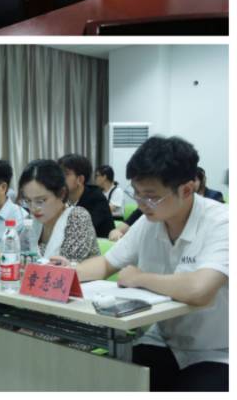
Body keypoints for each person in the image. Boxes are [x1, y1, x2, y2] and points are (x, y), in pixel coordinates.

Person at [75, 137, 228, 391]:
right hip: (163, 341)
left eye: (151, 197)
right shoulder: (149, 221)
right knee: (107, 380)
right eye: (136, 193)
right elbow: (105, 264)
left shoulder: (222, 222)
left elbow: (199, 290)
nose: (141, 204)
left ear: (186, 190)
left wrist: (139, 278)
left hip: (216, 349)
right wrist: (64, 273)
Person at [19, 160, 100, 263]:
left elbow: (65, 267)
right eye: (28, 201)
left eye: (40, 201)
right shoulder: (32, 220)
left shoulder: (77, 218)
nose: (33, 208)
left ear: (62, 193)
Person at [58, 153, 115, 237]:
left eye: (66, 174)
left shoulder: (96, 198)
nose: (59, 178)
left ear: (80, 179)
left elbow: (80, 230)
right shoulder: (63, 197)